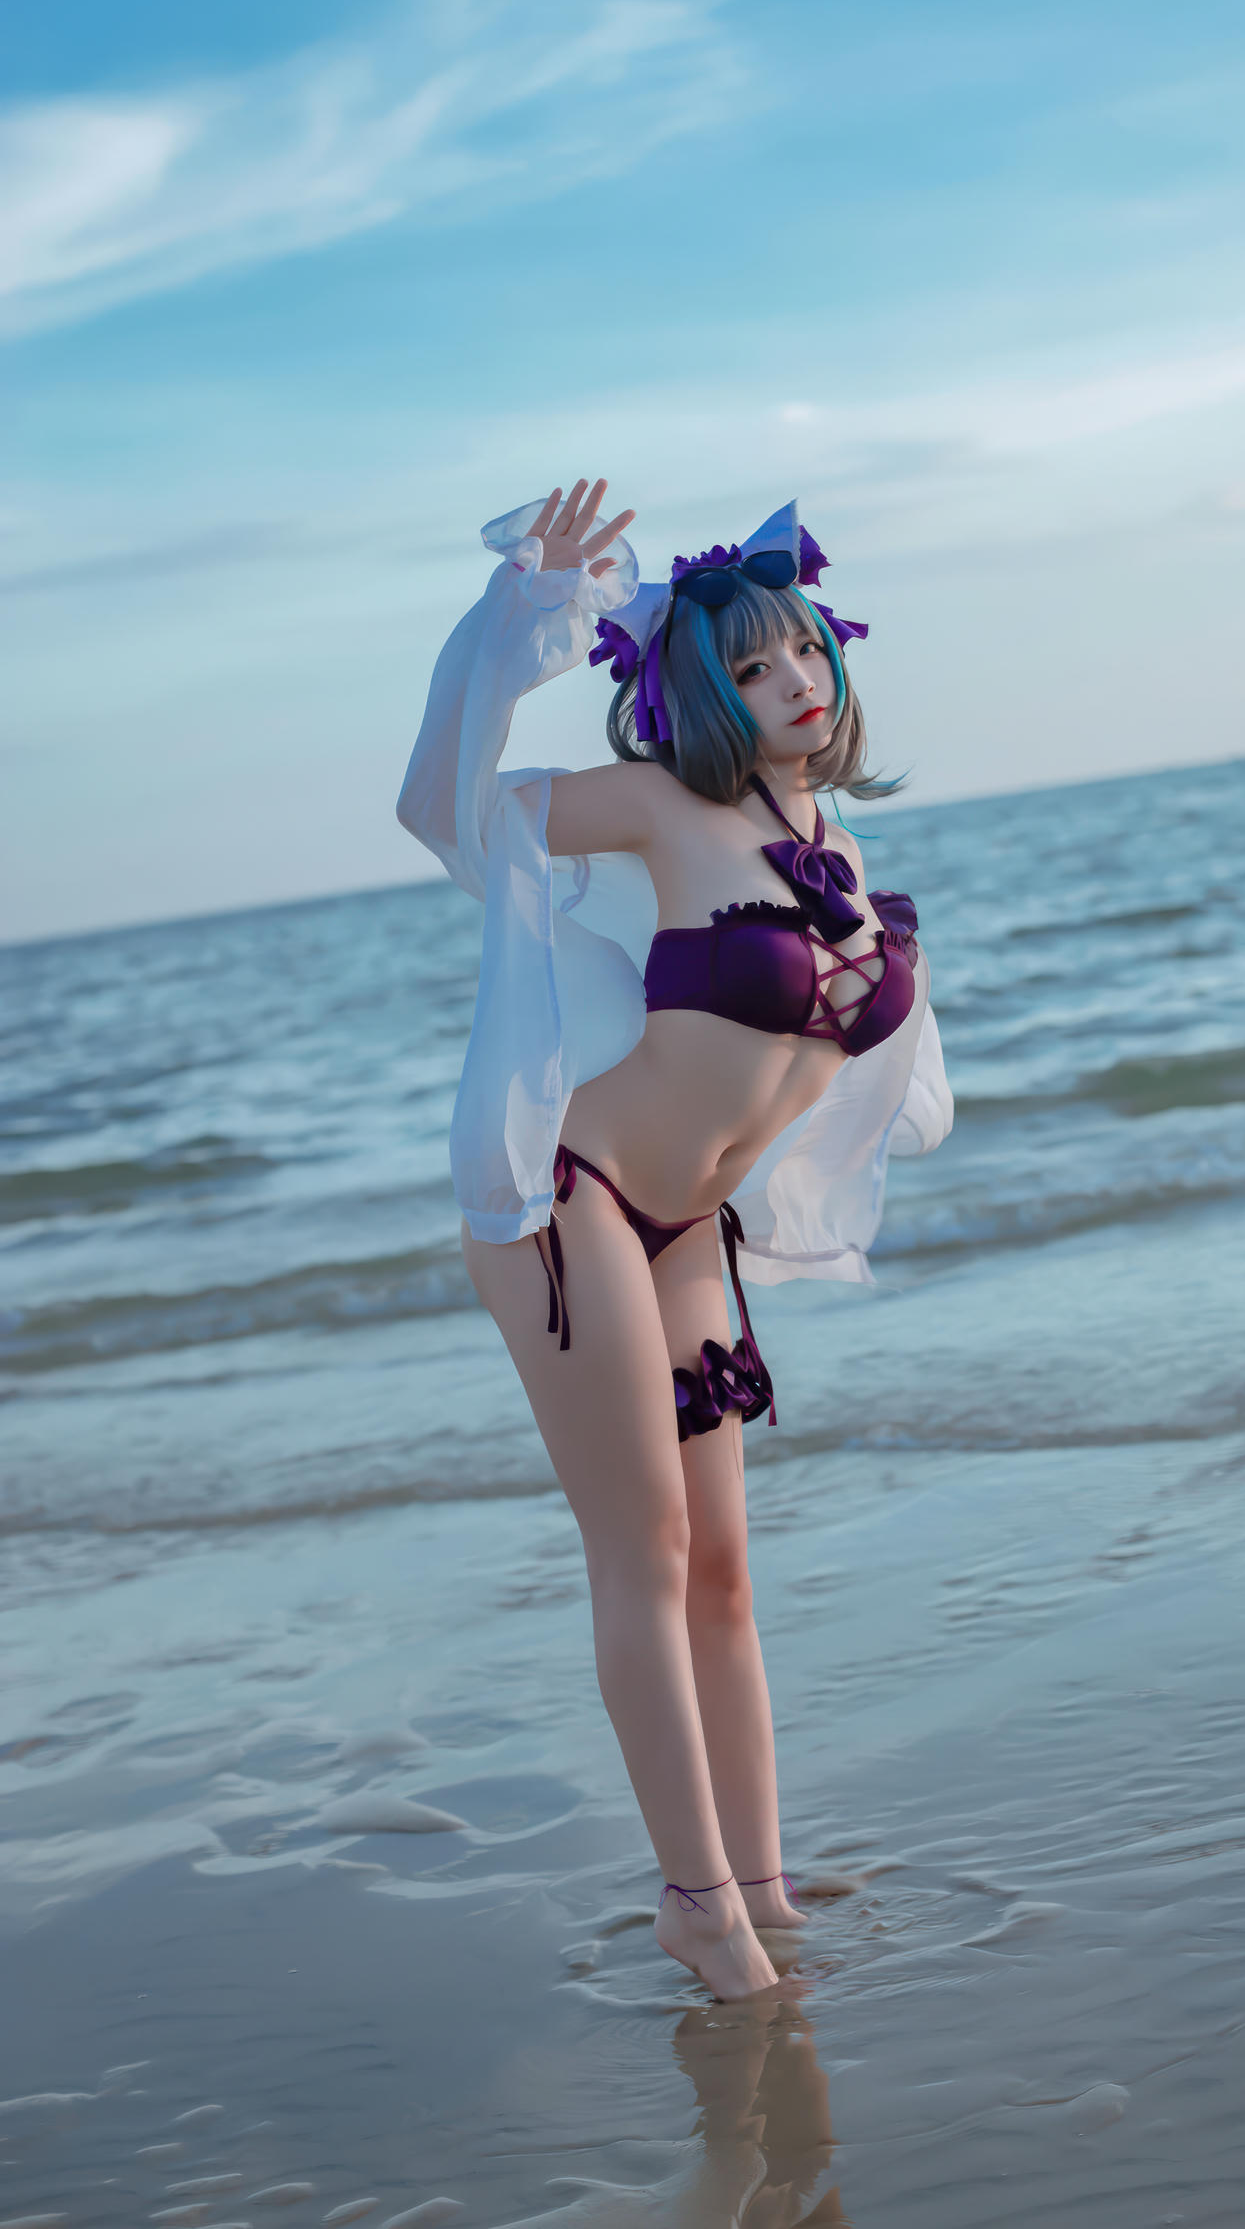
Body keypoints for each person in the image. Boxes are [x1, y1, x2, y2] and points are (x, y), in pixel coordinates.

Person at [397, 477, 952, 2000]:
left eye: (805, 650)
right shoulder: (661, 808)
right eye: (752, 666)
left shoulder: (838, 853)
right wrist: (519, 621)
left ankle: (761, 1885)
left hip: (689, 1226)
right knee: (642, 1546)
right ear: (701, 694)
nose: (795, 680)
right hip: (572, 1194)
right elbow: (446, 806)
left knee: (724, 1573)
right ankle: (694, 1903)